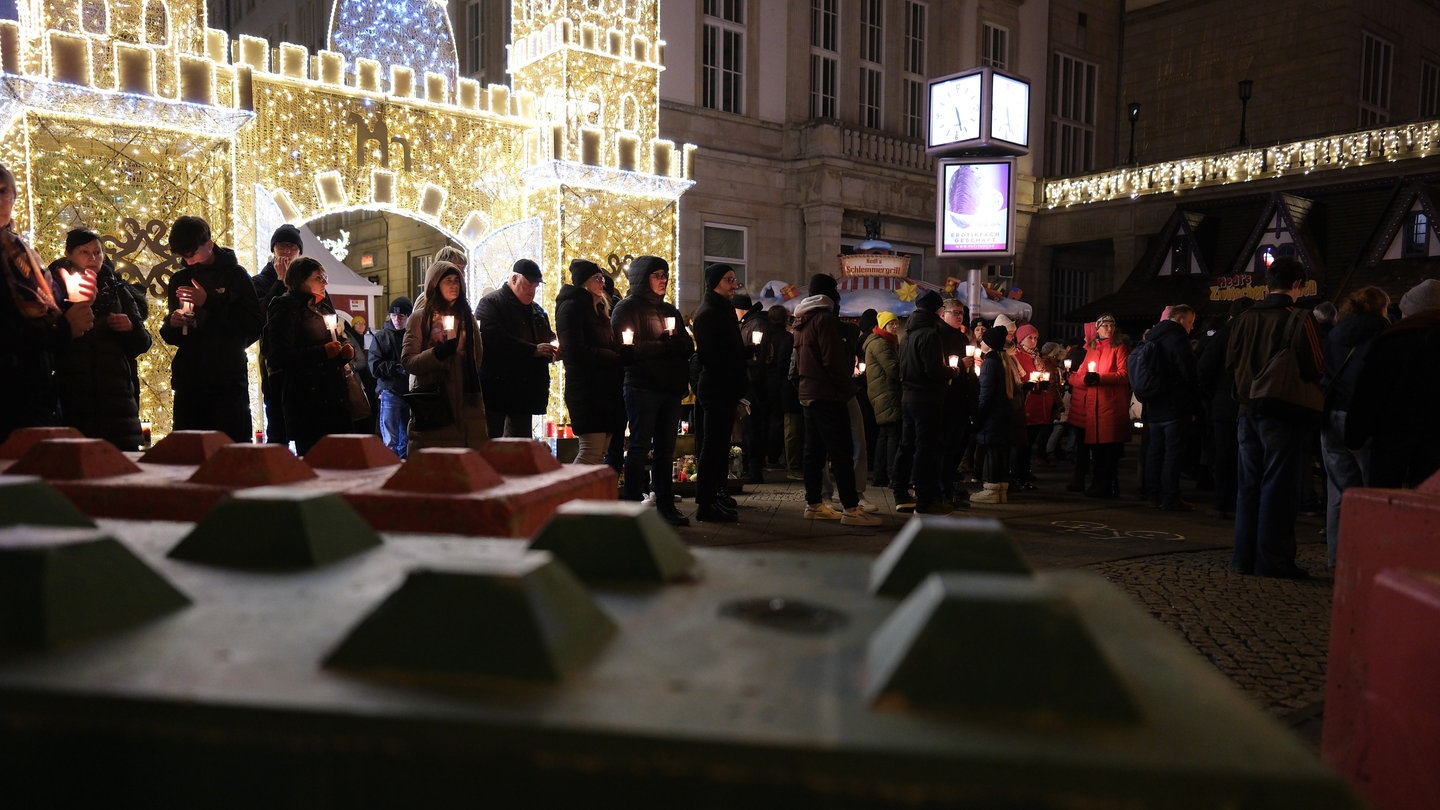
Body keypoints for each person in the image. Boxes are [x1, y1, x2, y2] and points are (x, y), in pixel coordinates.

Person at [1225, 257, 1324, 579]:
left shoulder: (1244, 317)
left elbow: (1230, 362)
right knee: (1279, 487)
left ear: (1268, 284)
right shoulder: (1299, 318)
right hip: (1281, 410)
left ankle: (1243, 557)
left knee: (1249, 485)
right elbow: (1314, 367)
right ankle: (1274, 560)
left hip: (1245, 408)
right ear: (1298, 285)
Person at [1, 162, 96, 442]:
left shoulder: (22, 254)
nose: (5, 198)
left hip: (34, 393)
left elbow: (47, 315)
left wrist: (73, 304)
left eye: (9, 192)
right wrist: (64, 330)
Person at [159, 215, 263, 442]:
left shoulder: (236, 276)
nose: (188, 261)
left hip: (226, 380)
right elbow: (172, 335)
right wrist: (174, 323)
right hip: (190, 381)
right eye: (183, 256)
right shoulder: (180, 279)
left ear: (209, 243)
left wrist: (209, 301)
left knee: (230, 452)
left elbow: (253, 325)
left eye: (192, 253)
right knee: (189, 452)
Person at [611, 255, 693, 526]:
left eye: (665, 275)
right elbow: (626, 350)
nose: (663, 280)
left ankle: (665, 505)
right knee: (638, 447)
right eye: (657, 275)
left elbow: (686, 346)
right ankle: (633, 508)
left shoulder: (670, 311)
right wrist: (662, 346)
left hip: (669, 389)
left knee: (665, 450)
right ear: (643, 277)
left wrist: (673, 345)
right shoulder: (626, 308)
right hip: (642, 387)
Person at [51, 230, 150, 450]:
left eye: (97, 252)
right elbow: (46, 340)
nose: (92, 258)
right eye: (84, 252)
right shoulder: (54, 289)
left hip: (117, 403)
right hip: (72, 396)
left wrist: (130, 328)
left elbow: (142, 343)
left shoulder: (117, 290)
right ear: (69, 254)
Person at [792, 292, 881, 526]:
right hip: (828, 394)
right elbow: (832, 360)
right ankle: (851, 508)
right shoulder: (824, 320)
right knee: (841, 451)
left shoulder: (802, 321)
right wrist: (846, 388)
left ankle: (814, 504)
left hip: (809, 392)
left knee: (814, 451)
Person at [1317, 286, 1389, 567]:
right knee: (1370, 490)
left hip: (1331, 412)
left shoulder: (1336, 333)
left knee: (1338, 488)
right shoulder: (1383, 334)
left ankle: (1337, 555)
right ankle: (1367, 556)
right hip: (1363, 415)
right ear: (1381, 307)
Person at [1347, 279, 1440, 489]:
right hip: (1435, 444)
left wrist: (1355, 435)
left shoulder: (1391, 342)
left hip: (1393, 439)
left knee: (1384, 501)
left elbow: (1370, 393)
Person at [260, 256, 354, 455]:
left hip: (333, 400)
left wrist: (343, 353)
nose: (325, 282)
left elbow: (333, 341)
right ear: (300, 280)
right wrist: (324, 352)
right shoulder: (285, 307)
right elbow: (279, 356)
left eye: (325, 277)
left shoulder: (324, 306)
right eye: (318, 278)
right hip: (307, 402)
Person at [402, 260, 488, 451]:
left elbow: (477, 357)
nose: (454, 285)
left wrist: (462, 368)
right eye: (448, 280)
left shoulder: (467, 319)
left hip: (467, 400)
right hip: (435, 401)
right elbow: (408, 361)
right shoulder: (419, 319)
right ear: (435, 284)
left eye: (456, 280)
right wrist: (437, 354)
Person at [690, 263, 748, 523]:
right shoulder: (710, 313)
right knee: (712, 447)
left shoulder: (721, 310)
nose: (734, 284)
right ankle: (705, 503)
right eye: (729, 279)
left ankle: (713, 497)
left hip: (724, 385)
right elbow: (713, 355)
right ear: (715, 282)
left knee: (719, 446)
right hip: (717, 387)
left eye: (734, 279)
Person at [475, 258, 557, 439]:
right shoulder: (491, 303)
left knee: (521, 446)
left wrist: (554, 348)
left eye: (535, 287)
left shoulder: (536, 310)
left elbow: (548, 335)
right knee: (493, 445)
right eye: (528, 285)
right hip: (497, 390)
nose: (532, 291)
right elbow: (491, 339)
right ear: (514, 279)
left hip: (524, 392)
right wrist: (532, 350)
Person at [554, 259, 625, 466]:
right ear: (584, 282)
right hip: (586, 389)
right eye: (597, 278)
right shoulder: (572, 307)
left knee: (599, 451)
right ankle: (568, 494)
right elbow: (575, 350)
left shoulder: (600, 308)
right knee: (590, 452)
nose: (602, 281)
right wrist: (611, 356)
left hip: (604, 388)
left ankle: (586, 495)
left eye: (602, 277)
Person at [894, 290, 953, 515]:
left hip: (908, 397)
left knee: (907, 446)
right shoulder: (929, 334)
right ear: (936, 310)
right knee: (925, 449)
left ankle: (900, 493)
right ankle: (925, 502)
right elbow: (932, 369)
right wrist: (953, 371)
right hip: (927, 399)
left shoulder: (907, 334)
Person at [1197, 298, 1254, 518]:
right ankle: (1232, 500)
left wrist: (1212, 395)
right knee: (1236, 455)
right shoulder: (1236, 335)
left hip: (1222, 404)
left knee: (1224, 455)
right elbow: (1205, 369)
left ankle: (1224, 500)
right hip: (1235, 402)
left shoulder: (1221, 335)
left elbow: (1204, 369)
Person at [1140, 304, 1200, 511]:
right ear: (1181, 319)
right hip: (1175, 406)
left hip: (1153, 405)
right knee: (1173, 453)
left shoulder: (1151, 337)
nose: (1192, 328)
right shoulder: (1177, 339)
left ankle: (1151, 494)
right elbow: (1188, 373)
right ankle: (1170, 496)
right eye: (1191, 322)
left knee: (1154, 451)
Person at [1068, 314, 1131, 498]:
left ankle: (1106, 485)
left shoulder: (1119, 347)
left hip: (1110, 405)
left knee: (1108, 450)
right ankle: (1098, 484)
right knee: (1097, 449)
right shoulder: (1092, 349)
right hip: (1094, 406)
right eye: (1105, 325)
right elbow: (1081, 374)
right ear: (1097, 329)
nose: (1109, 329)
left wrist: (1101, 378)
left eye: (1112, 325)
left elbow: (1124, 374)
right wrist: (1084, 379)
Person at [253, 223, 302, 446]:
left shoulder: (307, 281)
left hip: (305, 364)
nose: (287, 251)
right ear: (273, 249)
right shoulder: (261, 281)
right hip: (275, 364)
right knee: (278, 423)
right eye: (282, 246)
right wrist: (281, 282)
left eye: (292, 247)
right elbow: (261, 315)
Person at [937, 298, 978, 504]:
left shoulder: (961, 337)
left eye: (961, 313)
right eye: (955, 312)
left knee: (959, 443)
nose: (959, 316)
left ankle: (950, 484)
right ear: (943, 313)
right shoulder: (939, 335)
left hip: (962, 396)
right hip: (947, 398)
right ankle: (943, 488)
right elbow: (938, 367)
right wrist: (960, 365)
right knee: (946, 445)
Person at [971, 325, 1016, 504]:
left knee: (992, 451)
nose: (981, 342)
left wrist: (978, 416)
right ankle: (1001, 489)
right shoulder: (1002, 360)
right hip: (1002, 414)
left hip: (992, 416)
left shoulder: (990, 363)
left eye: (984, 341)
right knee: (1000, 451)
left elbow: (986, 393)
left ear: (988, 344)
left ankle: (991, 488)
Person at [737, 293, 775, 484]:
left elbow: (758, 357)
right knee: (752, 427)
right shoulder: (751, 323)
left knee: (753, 428)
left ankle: (754, 469)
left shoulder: (755, 324)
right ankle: (751, 467)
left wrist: (751, 362)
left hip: (755, 383)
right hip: (753, 381)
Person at [368, 295, 413, 458]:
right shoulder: (381, 337)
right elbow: (374, 366)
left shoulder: (412, 336)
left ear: (409, 316)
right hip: (390, 392)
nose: (397, 319)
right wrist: (396, 368)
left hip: (410, 393)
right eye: (393, 315)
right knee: (390, 440)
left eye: (401, 315)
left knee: (406, 438)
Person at [1012, 322, 1054, 491]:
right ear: (1021, 339)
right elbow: (1019, 379)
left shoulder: (1037, 357)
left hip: (1039, 404)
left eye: (1036, 338)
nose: (1033, 341)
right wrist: (1030, 383)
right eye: (1030, 337)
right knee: (1022, 444)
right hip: (1026, 404)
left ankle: (1025, 471)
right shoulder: (1017, 356)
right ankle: (1018, 474)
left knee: (1029, 444)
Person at [863, 310, 901, 490]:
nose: (895, 326)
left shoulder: (885, 342)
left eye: (896, 323)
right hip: (887, 392)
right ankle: (894, 474)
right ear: (883, 326)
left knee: (885, 434)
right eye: (891, 323)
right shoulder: (882, 344)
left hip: (882, 392)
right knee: (892, 434)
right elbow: (893, 369)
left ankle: (880, 475)